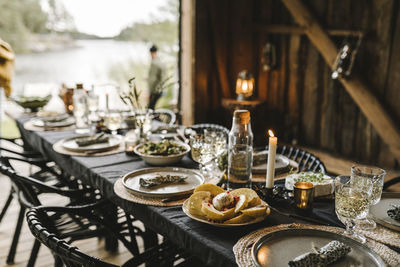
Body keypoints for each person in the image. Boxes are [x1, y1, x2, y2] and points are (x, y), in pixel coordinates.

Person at [147, 44, 165, 110]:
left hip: (155, 90)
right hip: (160, 89)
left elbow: (152, 79)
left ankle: (156, 120)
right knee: (152, 108)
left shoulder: (154, 63)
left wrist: (149, 92)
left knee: (150, 109)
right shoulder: (160, 61)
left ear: (152, 53)